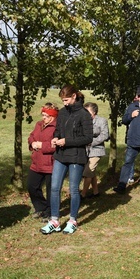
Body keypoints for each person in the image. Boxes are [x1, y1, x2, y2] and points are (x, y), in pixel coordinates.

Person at [41, 85, 93, 235]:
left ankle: (72, 220)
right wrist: (55, 138)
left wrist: (67, 141)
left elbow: (88, 138)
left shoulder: (84, 114)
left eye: (66, 99)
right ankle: (55, 221)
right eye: (62, 100)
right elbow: (58, 130)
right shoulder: (62, 113)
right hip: (61, 155)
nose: (64, 103)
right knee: (54, 187)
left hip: (76, 156)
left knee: (73, 190)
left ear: (74, 97)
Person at [27, 103, 59, 219]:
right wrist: (32, 143)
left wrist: (42, 145)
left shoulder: (58, 127)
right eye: (43, 115)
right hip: (36, 162)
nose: (43, 118)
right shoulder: (39, 124)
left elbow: (57, 145)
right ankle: (40, 207)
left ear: (53, 116)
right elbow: (31, 136)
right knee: (32, 186)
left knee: (51, 190)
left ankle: (51, 212)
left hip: (51, 163)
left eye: (46, 115)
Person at [81, 102, 109, 200]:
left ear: (94, 112)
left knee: (87, 172)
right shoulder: (83, 121)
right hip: (85, 150)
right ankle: (96, 192)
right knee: (91, 172)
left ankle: (83, 195)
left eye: (87, 112)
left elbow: (105, 135)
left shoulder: (102, 121)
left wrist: (91, 142)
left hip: (97, 150)